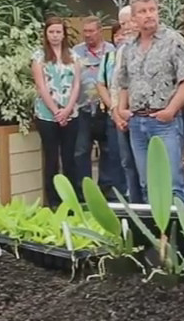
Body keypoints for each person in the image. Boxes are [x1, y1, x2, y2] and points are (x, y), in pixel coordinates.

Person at [113, 0, 184, 203]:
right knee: (147, 183)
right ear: (133, 17)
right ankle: (157, 235)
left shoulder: (173, 40)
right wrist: (122, 110)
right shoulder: (129, 47)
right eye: (142, 11)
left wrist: (171, 110)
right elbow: (124, 81)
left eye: (152, 9)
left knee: (173, 183)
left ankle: (180, 234)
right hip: (137, 123)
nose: (149, 14)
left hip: (164, 122)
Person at [32, 16, 81, 206]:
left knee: (70, 158)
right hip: (46, 115)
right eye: (51, 31)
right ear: (46, 33)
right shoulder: (38, 57)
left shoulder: (74, 56)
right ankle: (52, 202)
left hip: (71, 114)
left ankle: (71, 200)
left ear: (64, 34)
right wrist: (56, 111)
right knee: (51, 159)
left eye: (58, 32)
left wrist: (67, 110)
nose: (55, 35)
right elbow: (41, 86)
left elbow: (77, 84)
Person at [72, 16, 120, 195]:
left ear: (100, 31)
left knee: (108, 150)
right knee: (81, 149)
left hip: (106, 107)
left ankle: (106, 189)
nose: (88, 35)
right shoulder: (76, 52)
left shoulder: (112, 50)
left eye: (91, 31)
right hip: (83, 107)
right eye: (85, 31)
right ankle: (84, 190)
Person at [100, 6, 142, 202]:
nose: (124, 28)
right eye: (121, 23)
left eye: (127, 22)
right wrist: (117, 112)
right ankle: (133, 203)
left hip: (141, 115)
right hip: (120, 115)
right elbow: (116, 85)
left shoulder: (145, 47)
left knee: (143, 164)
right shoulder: (118, 52)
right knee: (126, 163)